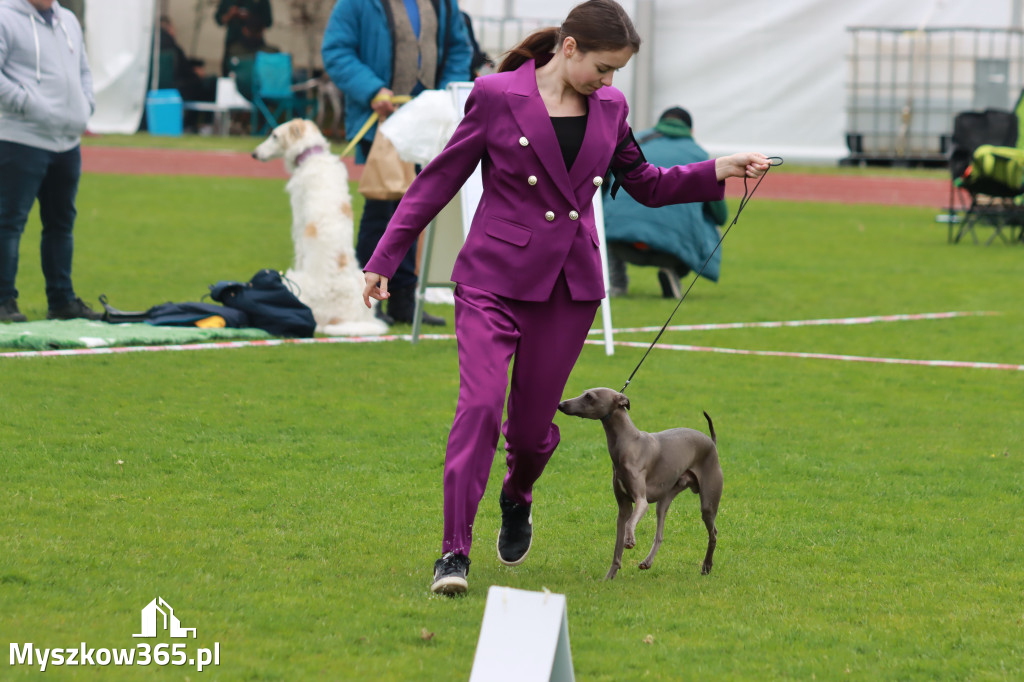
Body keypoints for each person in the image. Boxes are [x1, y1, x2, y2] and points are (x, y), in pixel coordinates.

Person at [360, 0, 769, 595]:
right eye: (603, 68)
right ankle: (454, 552)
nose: (609, 83)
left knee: (529, 435)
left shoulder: (612, 108)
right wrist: (383, 257)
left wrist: (718, 168)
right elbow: (440, 177)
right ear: (570, 47)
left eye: (617, 74)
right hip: (492, 280)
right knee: (478, 411)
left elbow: (646, 185)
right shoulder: (497, 95)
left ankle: (517, 494)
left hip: (567, 290)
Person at [321, 0, 472, 327]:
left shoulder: (445, 3)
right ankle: (362, 300)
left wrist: (448, 93)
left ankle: (402, 301)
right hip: (380, 121)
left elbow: (460, 50)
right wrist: (372, 88)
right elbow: (336, 51)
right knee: (381, 209)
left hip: (431, 125)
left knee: (416, 212)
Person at [0, 0, 100, 322]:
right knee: (9, 223)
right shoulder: (4, 16)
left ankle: (62, 301)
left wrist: (86, 105)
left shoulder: (67, 19)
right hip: (20, 138)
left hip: (67, 141)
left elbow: (83, 69)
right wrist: (28, 104)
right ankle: (3, 301)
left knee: (61, 224)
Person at [603, 106, 729, 298]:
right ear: (691, 131)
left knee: (608, 216)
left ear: (658, 124)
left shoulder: (632, 141)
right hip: (671, 248)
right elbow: (720, 216)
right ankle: (673, 270)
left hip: (619, 240)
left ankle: (616, 281)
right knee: (709, 223)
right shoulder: (698, 155)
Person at [215, 0, 272, 77]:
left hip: (254, 44)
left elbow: (268, 22)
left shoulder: (261, 2)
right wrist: (230, 14)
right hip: (232, 40)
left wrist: (250, 17)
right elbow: (219, 19)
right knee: (228, 69)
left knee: (255, 72)